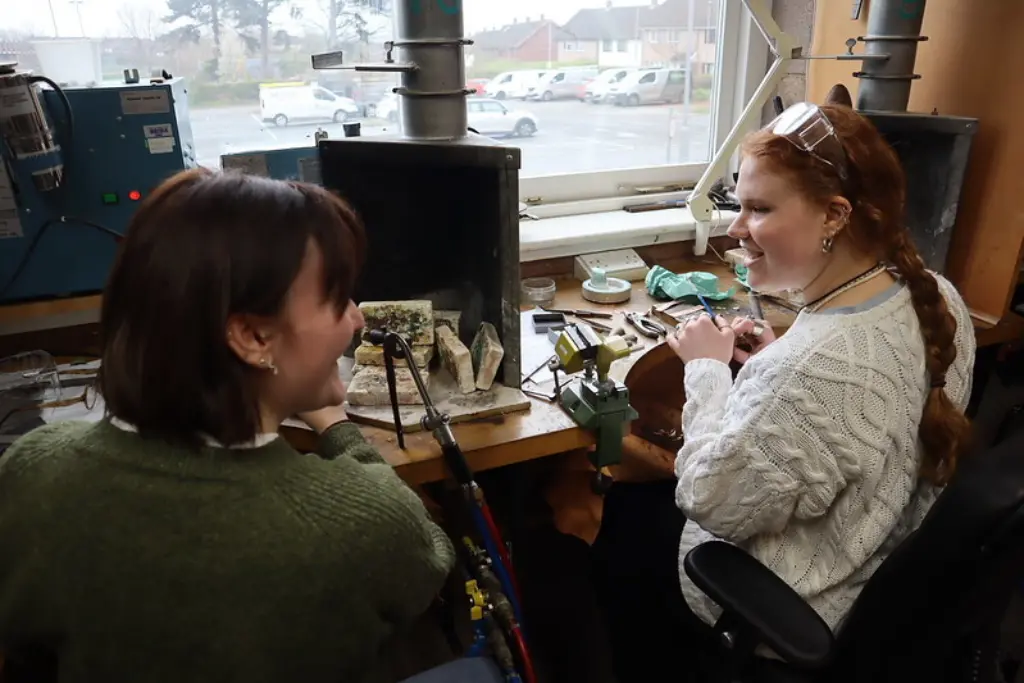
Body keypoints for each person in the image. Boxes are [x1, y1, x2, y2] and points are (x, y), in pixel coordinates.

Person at [0, 169, 456, 683]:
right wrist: (339, 429)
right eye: (338, 300)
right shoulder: (359, 523)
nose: (356, 320)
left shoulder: (31, 471)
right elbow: (426, 560)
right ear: (253, 338)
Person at [594, 102, 976, 682]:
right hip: (884, 570)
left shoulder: (807, 371)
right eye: (736, 206)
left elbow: (707, 498)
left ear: (834, 215)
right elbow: (845, 405)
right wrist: (777, 360)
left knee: (620, 518)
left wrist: (706, 369)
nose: (733, 229)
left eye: (758, 209)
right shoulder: (939, 297)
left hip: (805, 600)